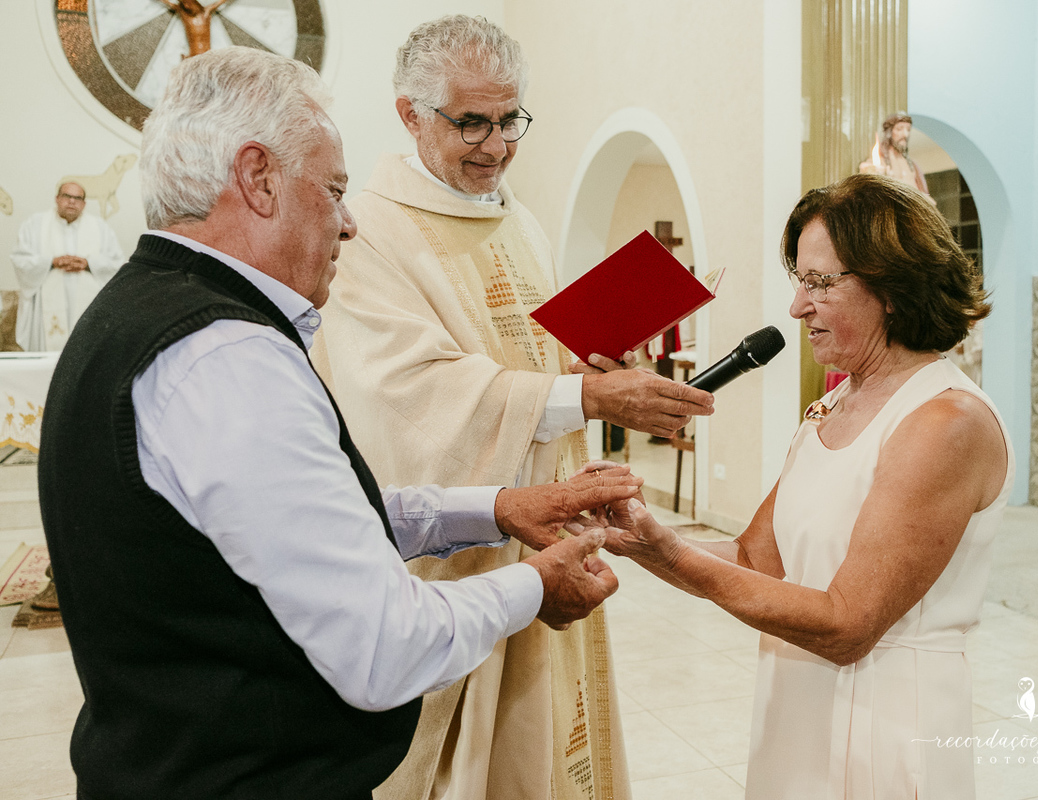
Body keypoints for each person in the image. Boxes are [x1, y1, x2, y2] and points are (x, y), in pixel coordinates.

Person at [37, 46, 643, 800]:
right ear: (258, 178)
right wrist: (533, 586)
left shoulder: (140, 311)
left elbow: (296, 524)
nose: (349, 223)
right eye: (332, 191)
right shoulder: (227, 357)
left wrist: (494, 508)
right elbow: (385, 648)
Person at [311, 15, 713, 800]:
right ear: (410, 114)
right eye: (472, 122)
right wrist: (586, 396)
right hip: (453, 563)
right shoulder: (369, 232)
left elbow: (524, 359)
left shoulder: (517, 220)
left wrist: (584, 367)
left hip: (546, 530)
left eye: (510, 120)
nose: (495, 146)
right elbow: (407, 397)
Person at [596, 173, 1013, 798]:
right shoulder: (838, 402)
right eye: (800, 279)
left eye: (819, 282)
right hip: (797, 706)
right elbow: (752, 559)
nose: (796, 307)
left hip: (884, 720)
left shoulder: (945, 421)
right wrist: (638, 536)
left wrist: (674, 553)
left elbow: (848, 624)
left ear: (892, 287)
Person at [11, 181, 122, 351]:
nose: (72, 201)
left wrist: (89, 264)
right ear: (57, 198)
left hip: (88, 301)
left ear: (84, 204)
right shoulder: (35, 225)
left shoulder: (101, 228)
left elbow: (117, 264)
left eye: (77, 198)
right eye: (67, 196)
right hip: (46, 307)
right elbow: (20, 260)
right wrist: (51, 262)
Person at [858, 111, 931, 196]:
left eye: (908, 130)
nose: (905, 134)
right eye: (899, 129)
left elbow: (922, 193)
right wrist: (867, 171)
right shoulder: (880, 161)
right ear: (889, 132)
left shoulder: (912, 165)